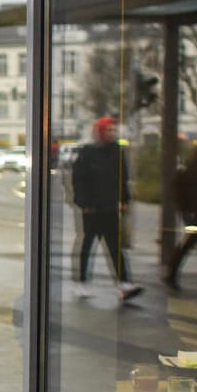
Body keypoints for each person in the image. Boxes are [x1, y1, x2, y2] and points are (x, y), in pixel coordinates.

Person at [72, 116, 142, 303]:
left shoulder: (117, 151)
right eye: (108, 130)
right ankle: (83, 282)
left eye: (113, 130)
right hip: (92, 208)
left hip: (110, 207)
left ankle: (125, 282)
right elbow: (79, 179)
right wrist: (84, 203)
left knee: (115, 247)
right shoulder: (88, 152)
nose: (112, 133)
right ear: (100, 132)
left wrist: (124, 199)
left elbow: (122, 177)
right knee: (88, 246)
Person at [164, 145, 197, 292]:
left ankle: (171, 275)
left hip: (193, 212)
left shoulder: (190, 165)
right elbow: (178, 186)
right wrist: (185, 210)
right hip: (195, 213)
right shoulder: (191, 167)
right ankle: (171, 275)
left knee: (188, 243)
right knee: (188, 242)